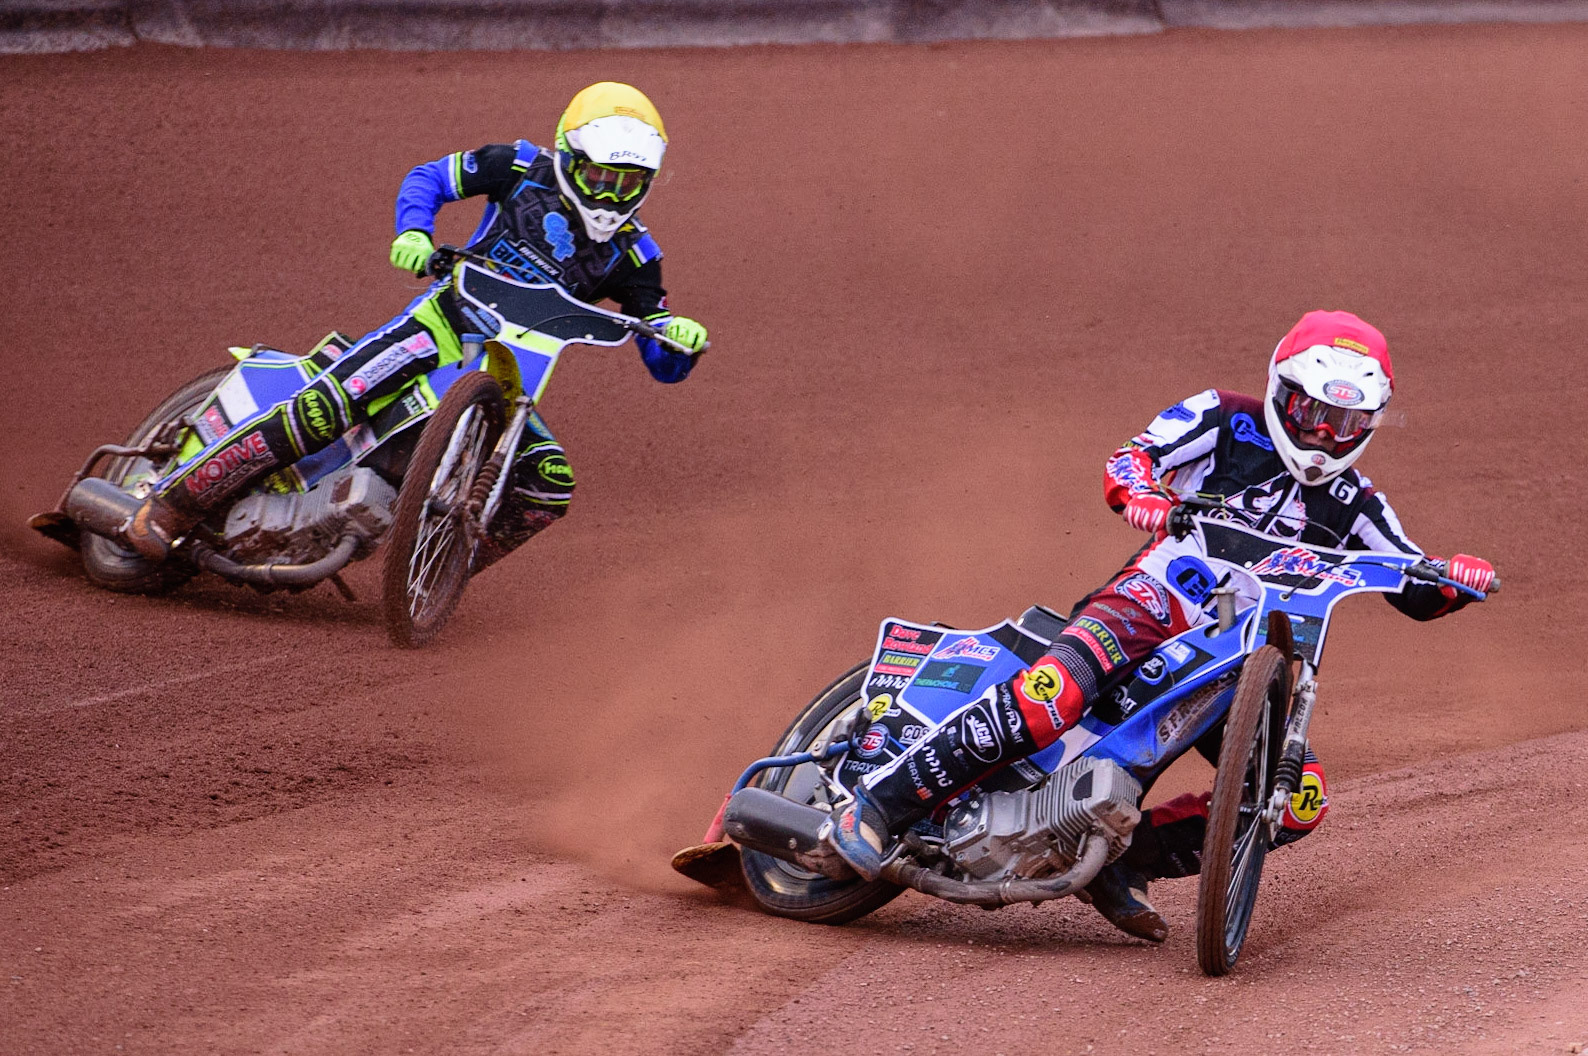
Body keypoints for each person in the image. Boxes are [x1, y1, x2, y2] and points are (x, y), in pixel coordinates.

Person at [826, 310, 1497, 942]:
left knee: (1298, 801)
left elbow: (1414, 582)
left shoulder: (1357, 503)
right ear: (1281, 390)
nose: (1324, 434)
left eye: (1343, 421)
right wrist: (1145, 499)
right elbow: (1131, 458)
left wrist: (1458, 580)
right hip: (1150, 603)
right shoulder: (1226, 418)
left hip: (1235, 660)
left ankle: (1123, 861)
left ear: (1368, 424)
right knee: (1051, 699)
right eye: (1313, 412)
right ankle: (877, 806)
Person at [125, 81, 708, 567]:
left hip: (511, 384)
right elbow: (429, 177)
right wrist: (412, 232)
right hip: (443, 323)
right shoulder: (518, 168)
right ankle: (172, 504)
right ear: (569, 155)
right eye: (602, 176)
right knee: (337, 402)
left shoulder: (636, 255)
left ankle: (436, 569)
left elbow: (657, 345)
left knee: (548, 485)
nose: (613, 194)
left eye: (630, 182)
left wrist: (680, 341)